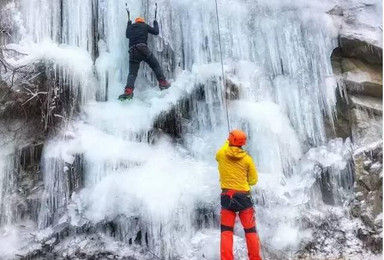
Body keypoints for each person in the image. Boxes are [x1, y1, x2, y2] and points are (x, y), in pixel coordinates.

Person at [215, 130, 262, 260]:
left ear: (230, 140)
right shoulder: (247, 159)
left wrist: (227, 141)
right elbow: (253, 180)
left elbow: (223, 150)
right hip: (244, 198)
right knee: (250, 231)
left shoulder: (221, 154)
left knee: (226, 232)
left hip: (227, 197)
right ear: (243, 143)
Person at [119, 17, 171, 101]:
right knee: (155, 65)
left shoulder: (131, 27)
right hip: (143, 49)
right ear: (142, 22)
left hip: (132, 51)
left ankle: (128, 91)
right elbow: (156, 32)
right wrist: (155, 23)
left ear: (136, 22)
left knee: (132, 73)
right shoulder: (144, 26)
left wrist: (128, 23)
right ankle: (163, 82)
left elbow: (127, 35)